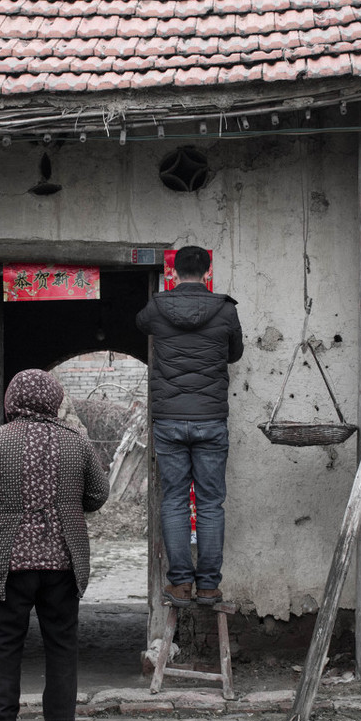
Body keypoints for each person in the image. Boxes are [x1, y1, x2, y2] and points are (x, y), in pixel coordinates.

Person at [0, 368, 109, 721]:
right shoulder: (77, 442)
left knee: (5, 642)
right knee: (62, 641)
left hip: (12, 561)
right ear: (54, 400)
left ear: (13, 400)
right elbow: (99, 494)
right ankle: (59, 720)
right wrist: (71, 504)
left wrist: (2, 505)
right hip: (63, 559)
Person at [136, 246, 244, 608]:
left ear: (174, 271)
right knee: (212, 503)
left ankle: (181, 585)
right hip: (211, 419)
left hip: (168, 420)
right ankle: (209, 587)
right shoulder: (225, 310)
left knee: (175, 501)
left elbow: (140, 324)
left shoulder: (156, 307)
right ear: (208, 270)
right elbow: (234, 353)